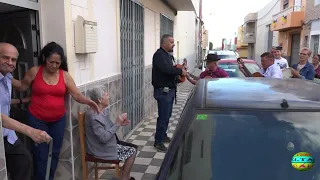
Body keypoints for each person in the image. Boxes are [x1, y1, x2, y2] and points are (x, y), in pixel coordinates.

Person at [11, 42, 100, 180]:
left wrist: (88, 101)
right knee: (40, 155)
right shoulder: (35, 71)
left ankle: (49, 178)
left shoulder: (65, 76)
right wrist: (6, 76)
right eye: (51, 62)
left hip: (58, 121)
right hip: (37, 119)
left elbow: (76, 94)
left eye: (57, 63)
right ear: (45, 58)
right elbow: (22, 86)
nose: (54, 65)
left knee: (54, 153)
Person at [0, 42, 51, 180]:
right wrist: (31, 132)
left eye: (13, 59)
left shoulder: (7, 77)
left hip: (7, 135)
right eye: (5, 57)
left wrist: (23, 100)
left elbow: (6, 100)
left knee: (23, 161)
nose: (10, 62)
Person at [86, 86, 137, 180]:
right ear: (100, 100)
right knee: (132, 151)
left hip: (108, 144)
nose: (109, 97)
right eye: (106, 95)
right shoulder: (94, 116)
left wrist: (120, 123)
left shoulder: (104, 111)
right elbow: (104, 138)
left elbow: (109, 129)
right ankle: (125, 177)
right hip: (100, 149)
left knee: (133, 147)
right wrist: (117, 124)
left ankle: (123, 176)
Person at [152, 34, 187, 152]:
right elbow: (167, 70)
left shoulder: (167, 55)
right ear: (164, 43)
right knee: (163, 116)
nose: (173, 44)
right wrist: (180, 71)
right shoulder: (159, 55)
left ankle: (163, 135)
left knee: (167, 115)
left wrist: (179, 74)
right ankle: (158, 141)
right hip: (163, 92)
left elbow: (169, 72)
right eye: (171, 42)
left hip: (169, 91)